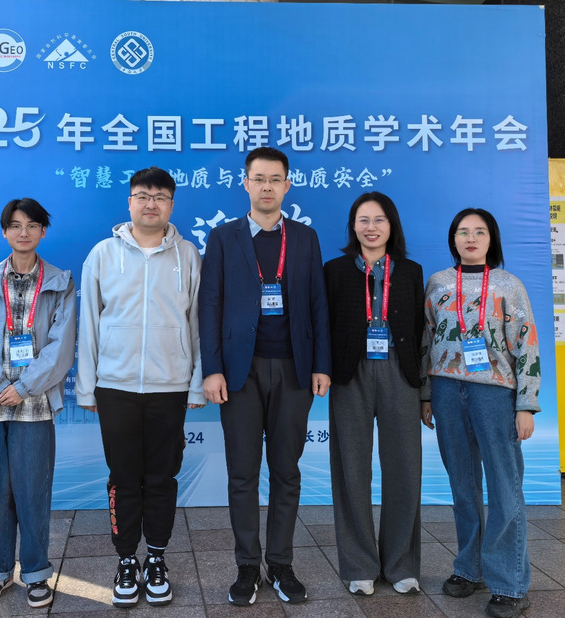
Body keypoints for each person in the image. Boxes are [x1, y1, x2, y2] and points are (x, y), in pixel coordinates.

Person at [198, 146, 331, 606]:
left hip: (294, 370)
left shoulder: (305, 238)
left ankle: (281, 564)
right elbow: (209, 305)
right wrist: (212, 369)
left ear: (287, 185)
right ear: (246, 184)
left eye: (275, 179)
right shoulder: (223, 237)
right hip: (240, 372)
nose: (267, 187)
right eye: (259, 179)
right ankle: (247, 567)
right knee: (242, 473)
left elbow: (318, 303)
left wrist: (321, 364)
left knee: (286, 471)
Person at [76, 167, 205, 608]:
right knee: (123, 477)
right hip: (115, 387)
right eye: (143, 196)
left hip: (170, 387)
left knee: (162, 477)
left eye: (161, 197)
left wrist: (195, 385)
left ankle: (157, 558)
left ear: (172, 204)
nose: (151, 204)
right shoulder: (103, 254)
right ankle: (127, 559)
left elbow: (197, 323)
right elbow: (89, 325)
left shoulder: (188, 254)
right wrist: (87, 389)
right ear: (130, 201)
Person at [420, 208, 539, 618]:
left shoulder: (509, 285)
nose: (470, 238)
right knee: (463, 485)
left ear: (492, 239)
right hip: (446, 390)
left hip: (495, 394)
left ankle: (510, 584)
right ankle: (469, 569)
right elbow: (426, 339)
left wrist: (526, 405)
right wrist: (425, 395)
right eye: (462, 231)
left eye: (480, 231)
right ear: (453, 238)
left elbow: (526, 344)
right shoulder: (438, 283)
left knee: (505, 488)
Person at [0, 198, 76, 609]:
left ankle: (36, 573)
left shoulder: (60, 282)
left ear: (43, 230)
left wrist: (24, 387)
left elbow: (62, 345)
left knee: (33, 492)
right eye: (14, 225)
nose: (23, 232)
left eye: (31, 225)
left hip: (35, 405)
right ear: (4, 232)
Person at [324, 192, 424, 597]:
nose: (371, 227)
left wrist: (425, 389)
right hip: (351, 373)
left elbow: (420, 330)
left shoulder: (411, 271)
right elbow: (324, 325)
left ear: (391, 225)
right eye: (363, 220)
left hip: (400, 372)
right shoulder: (334, 271)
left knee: (404, 468)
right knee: (351, 469)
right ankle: (360, 565)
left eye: (379, 219)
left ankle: (401, 565)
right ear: (353, 226)